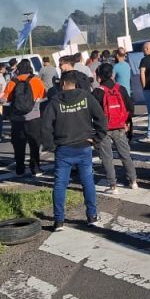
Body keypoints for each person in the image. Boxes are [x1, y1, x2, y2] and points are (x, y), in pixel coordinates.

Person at [41, 71, 108, 230]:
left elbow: (45, 126)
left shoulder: (55, 101)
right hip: (84, 146)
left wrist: (51, 146)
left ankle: (59, 221)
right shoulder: (86, 97)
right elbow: (101, 118)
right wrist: (97, 138)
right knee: (88, 182)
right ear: (75, 83)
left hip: (63, 148)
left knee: (60, 184)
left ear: (63, 84)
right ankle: (91, 216)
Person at [93, 62, 138, 192]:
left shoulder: (97, 92)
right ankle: (133, 181)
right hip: (120, 127)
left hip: (103, 129)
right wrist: (127, 122)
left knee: (107, 157)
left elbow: (91, 111)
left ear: (99, 76)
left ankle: (113, 185)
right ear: (112, 74)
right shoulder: (121, 89)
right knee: (125, 155)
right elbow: (131, 108)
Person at [2, 59, 46, 179]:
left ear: (18, 69)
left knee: (18, 145)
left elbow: (6, 100)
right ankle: (35, 168)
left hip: (17, 119)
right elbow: (43, 97)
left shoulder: (12, 82)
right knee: (35, 144)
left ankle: (20, 168)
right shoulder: (36, 81)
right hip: (34, 118)